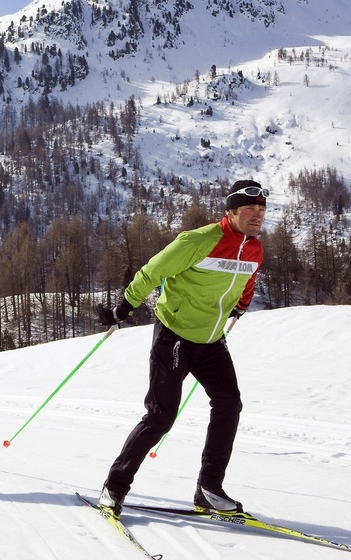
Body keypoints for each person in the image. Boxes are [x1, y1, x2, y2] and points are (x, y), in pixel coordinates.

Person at [96, 180, 267, 517]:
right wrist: (124, 307)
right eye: (249, 210)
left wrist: (241, 305)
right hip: (174, 336)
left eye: (261, 210)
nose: (257, 216)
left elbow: (248, 280)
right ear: (230, 211)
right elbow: (152, 271)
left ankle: (209, 489)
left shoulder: (254, 249)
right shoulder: (198, 241)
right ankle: (114, 487)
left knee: (229, 404)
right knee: (161, 416)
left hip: (211, 339)